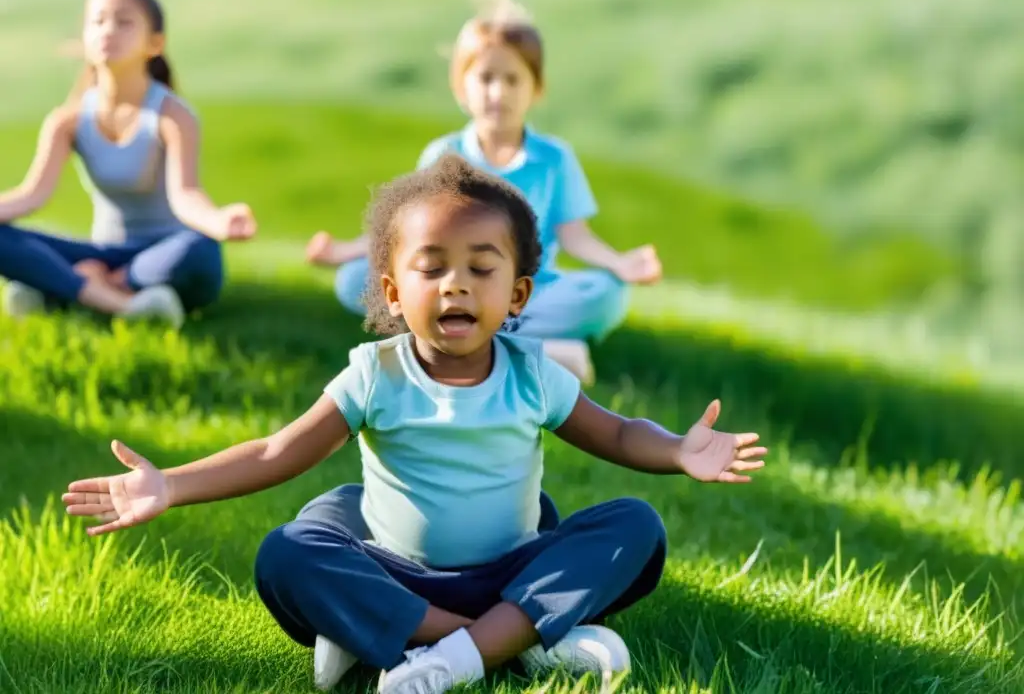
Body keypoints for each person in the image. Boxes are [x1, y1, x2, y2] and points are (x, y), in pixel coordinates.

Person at [63, 155, 766, 694]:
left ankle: (419, 652)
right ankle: (511, 644)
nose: (455, 285)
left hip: (509, 571)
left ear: (516, 294)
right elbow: (279, 450)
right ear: (396, 292)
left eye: (479, 270)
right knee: (289, 550)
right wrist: (173, 485)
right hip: (403, 577)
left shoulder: (531, 372)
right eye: (432, 269)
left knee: (635, 527)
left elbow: (613, 434)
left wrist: (676, 449)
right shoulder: (377, 373)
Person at [306, 0, 662, 385]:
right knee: (356, 280)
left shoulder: (554, 158)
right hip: (452, 286)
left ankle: (466, 342)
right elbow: (404, 236)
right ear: (462, 87)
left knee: (607, 294)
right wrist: (345, 250)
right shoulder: (444, 155)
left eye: (513, 79)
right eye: (486, 78)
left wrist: (620, 263)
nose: (498, 92)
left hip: (526, 294)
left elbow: (576, 236)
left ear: (536, 89)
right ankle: (546, 354)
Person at [0, 0, 257, 327]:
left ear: (155, 44)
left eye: (124, 22)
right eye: (98, 21)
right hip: (101, 249)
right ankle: (121, 303)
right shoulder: (67, 120)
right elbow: (31, 196)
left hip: (161, 253)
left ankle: (66, 287)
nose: (108, 31)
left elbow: (186, 195)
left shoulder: (173, 115)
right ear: (85, 36)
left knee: (201, 251)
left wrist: (219, 221)